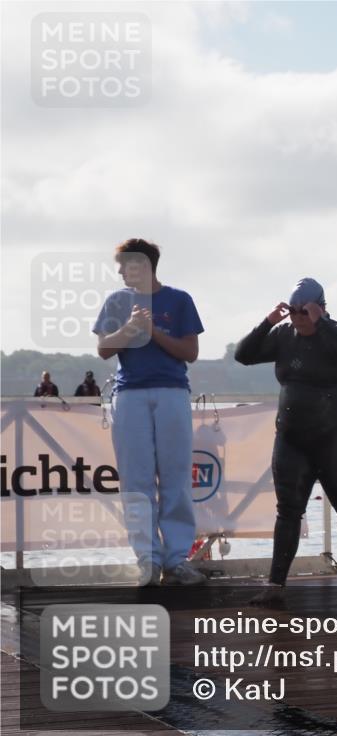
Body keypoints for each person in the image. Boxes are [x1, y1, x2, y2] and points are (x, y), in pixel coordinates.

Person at [235, 277, 337, 601]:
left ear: (320, 308)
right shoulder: (285, 334)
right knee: (288, 509)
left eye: (304, 312)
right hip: (293, 435)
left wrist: (322, 324)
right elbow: (244, 355)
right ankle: (275, 585)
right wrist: (269, 321)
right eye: (293, 312)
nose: (298, 318)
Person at [92, 238, 206, 586]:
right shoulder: (116, 301)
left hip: (172, 392)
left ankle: (176, 560)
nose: (121, 271)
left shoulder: (179, 299)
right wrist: (129, 329)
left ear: (144, 265)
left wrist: (152, 331)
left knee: (175, 478)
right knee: (136, 481)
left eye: (126, 265)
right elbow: (103, 350)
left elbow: (190, 352)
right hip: (130, 395)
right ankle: (147, 560)